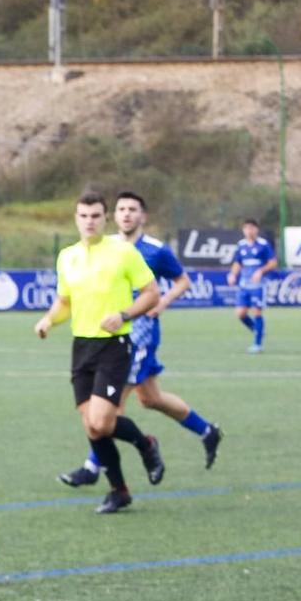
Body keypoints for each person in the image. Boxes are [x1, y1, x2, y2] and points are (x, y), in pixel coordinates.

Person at [60, 190, 222, 486]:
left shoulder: (155, 250)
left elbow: (182, 281)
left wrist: (162, 303)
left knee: (111, 404)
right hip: (107, 336)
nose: (126, 214)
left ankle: (93, 467)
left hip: (140, 333)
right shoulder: (106, 248)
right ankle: (207, 430)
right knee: (150, 398)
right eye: (121, 209)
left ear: (142, 216)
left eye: (133, 209)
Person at [34, 192, 165, 515]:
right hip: (82, 347)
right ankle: (119, 490)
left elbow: (152, 294)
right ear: (76, 218)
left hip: (114, 345)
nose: (89, 221)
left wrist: (124, 315)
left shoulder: (123, 252)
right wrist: (49, 320)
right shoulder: (67, 256)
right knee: (92, 427)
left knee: (101, 421)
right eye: (83, 215)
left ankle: (146, 444)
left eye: (95, 215)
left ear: (105, 218)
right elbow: (65, 301)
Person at [228, 218, 277, 354]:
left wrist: (260, 271)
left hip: (258, 285)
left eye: (251, 228)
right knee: (240, 313)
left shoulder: (263, 245)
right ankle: (258, 329)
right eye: (246, 228)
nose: (249, 231)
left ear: (256, 229)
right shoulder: (241, 245)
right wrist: (232, 274)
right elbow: (238, 263)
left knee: (257, 311)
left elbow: (273, 262)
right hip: (244, 284)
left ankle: (258, 344)